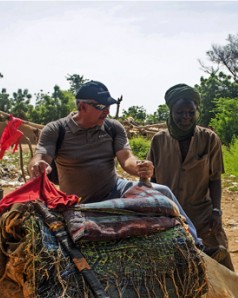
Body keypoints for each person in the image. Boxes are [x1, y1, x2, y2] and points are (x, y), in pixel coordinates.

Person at [28, 80, 202, 246]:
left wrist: (140, 167)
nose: (107, 112)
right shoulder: (56, 129)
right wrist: (39, 165)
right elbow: (41, 157)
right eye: (100, 107)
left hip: (115, 190)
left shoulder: (113, 127)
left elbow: (127, 159)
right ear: (82, 106)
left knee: (163, 192)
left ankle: (195, 244)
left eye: (109, 106)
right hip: (79, 202)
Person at [147, 83, 235, 270]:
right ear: (171, 111)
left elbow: (215, 179)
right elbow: (152, 180)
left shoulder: (209, 139)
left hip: (202, 214)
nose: (185, 117)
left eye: (190, 112)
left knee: (220, 261)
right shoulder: (159, 140)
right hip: (170, 214)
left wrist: (216, 211)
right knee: (175, 266)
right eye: (180, 112)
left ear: (197, 112)